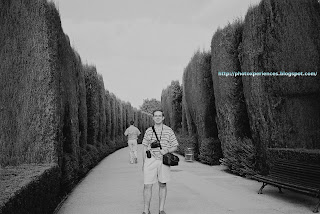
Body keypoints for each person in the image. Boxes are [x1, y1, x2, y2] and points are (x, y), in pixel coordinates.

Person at [142, 109, 178, 214]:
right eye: (155, 116)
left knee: (162, 184)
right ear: (153, 118)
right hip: (150, 160)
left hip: (164, 160)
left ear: (163, 118)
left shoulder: (169, 130)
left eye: (159, 116)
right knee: (147, 185)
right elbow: (144, 147)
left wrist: (166, 150)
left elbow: (175, 146)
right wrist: (144, 163)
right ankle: (146, 210)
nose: (157, 117)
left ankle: (161, 209)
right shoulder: (149, 130)